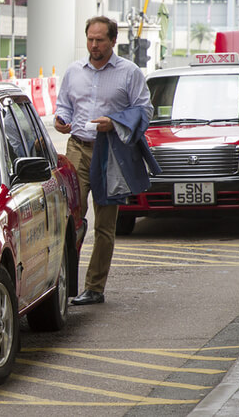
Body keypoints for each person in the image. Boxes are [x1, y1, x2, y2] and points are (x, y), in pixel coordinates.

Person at [53, 16, 152, 306]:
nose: (94, 45)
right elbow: (64, 105)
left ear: (112, 41)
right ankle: (62, 283)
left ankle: (94, 287)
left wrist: (115, 123)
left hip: (112, 152)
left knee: (105, 225)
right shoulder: (74, 71)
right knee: (71, 217)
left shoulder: (129, 73)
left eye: (100, 40)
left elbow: (144, 112)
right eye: (90, 39)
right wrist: (62, 120)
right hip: (78, 149)